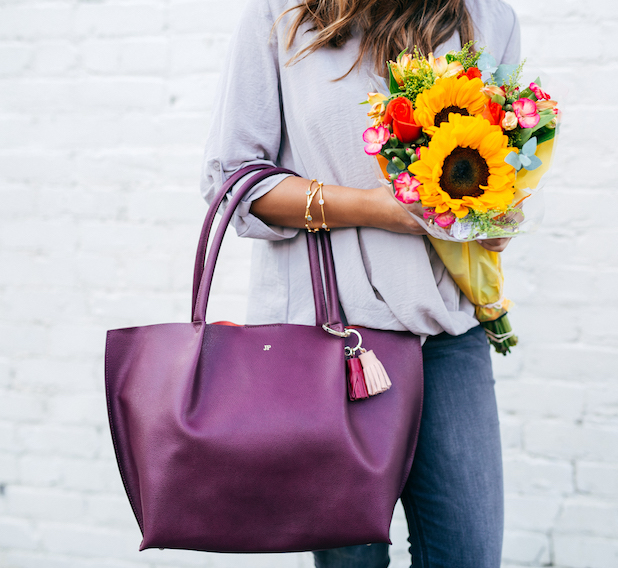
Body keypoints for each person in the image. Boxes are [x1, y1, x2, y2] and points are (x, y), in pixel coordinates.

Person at [201, 1, 520, 566]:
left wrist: (492, 213)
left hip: (446, 331)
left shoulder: (486, 15)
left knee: (469, 554)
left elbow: (504, 158)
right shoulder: (284, 15)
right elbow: (233, 180)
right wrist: (377, 209)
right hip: (330, 341)